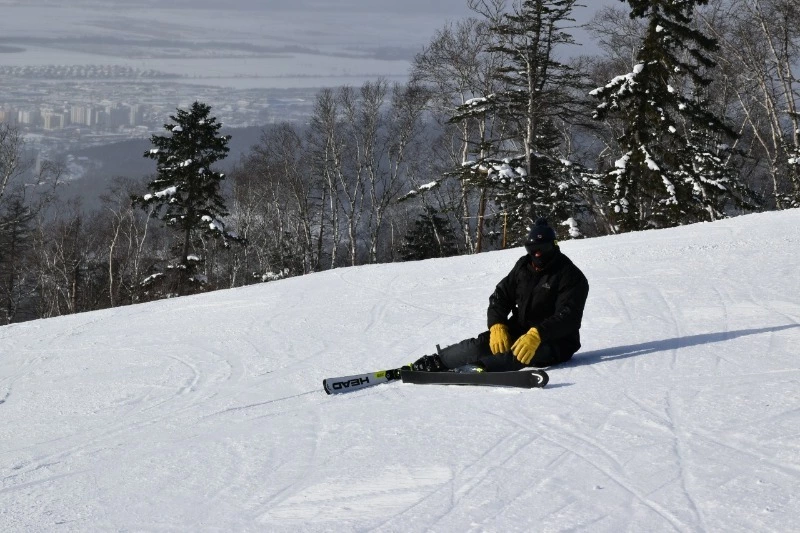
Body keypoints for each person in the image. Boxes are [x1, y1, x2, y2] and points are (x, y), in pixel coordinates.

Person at [412, 218, 589, 373]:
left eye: (542, 248)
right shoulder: (524, 267)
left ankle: (478, 369)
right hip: (521, 329)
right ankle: (438, 361)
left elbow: (568, 316)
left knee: (516, 354)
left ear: (554, 245)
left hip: (557, 341)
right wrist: (497, 325)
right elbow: (501, 295)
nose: (537, 254)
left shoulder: (571, 276)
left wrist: (538, 334)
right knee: (480, 345)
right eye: (532, 248)